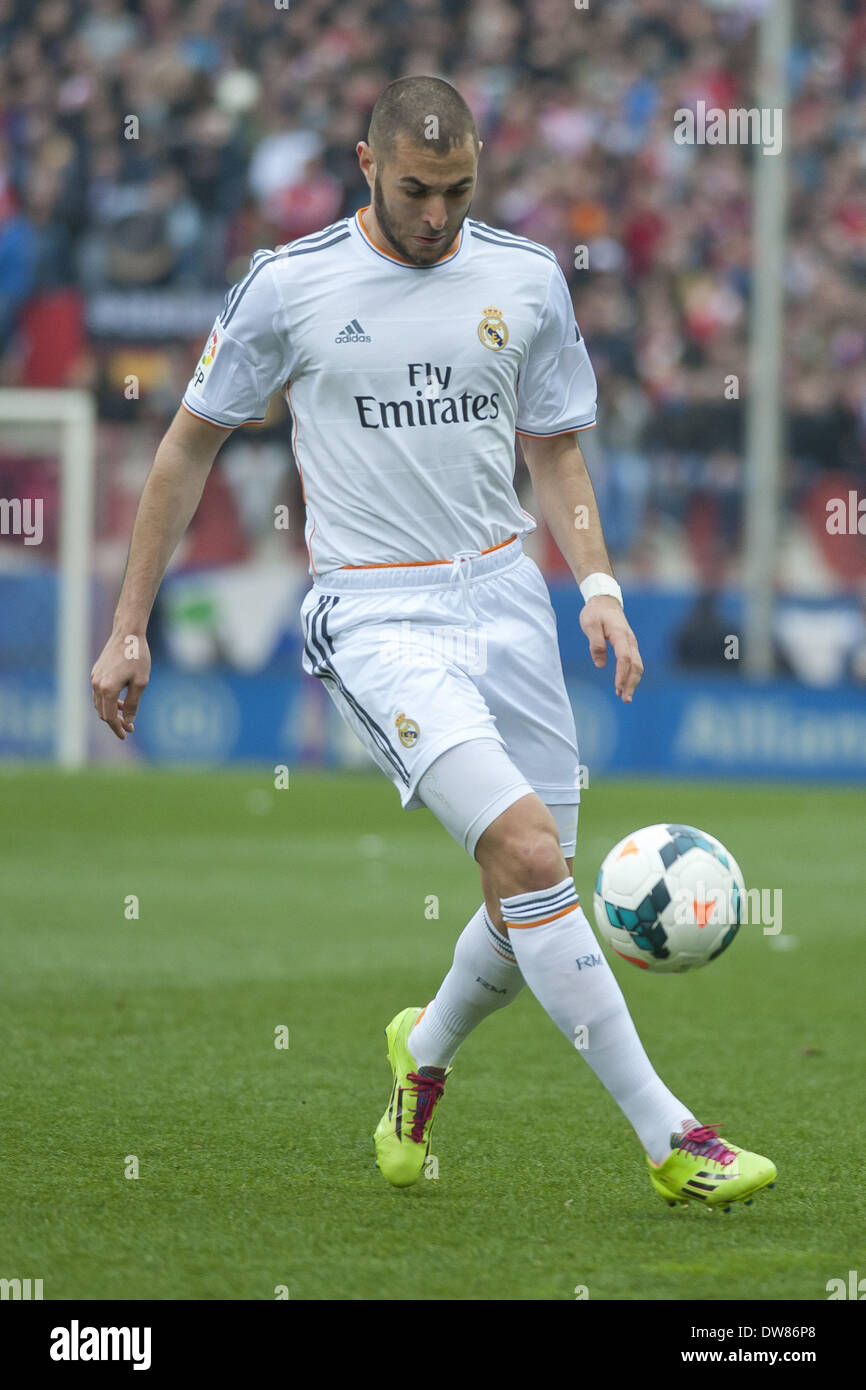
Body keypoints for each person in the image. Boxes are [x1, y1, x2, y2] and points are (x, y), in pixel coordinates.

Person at [92, 75, 776, 1211]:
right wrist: (127, 628)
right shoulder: (289, 286)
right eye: (415, 190)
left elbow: (554, 448)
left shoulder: (523, 277)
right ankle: (671, 1136)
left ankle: (423, 1052)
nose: (436, 214)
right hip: (375, 614)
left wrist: (596, 581)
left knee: (529, 892)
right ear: (365, 165)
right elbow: (184, 448)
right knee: (526, 855)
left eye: (457, 190)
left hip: (507, 595)